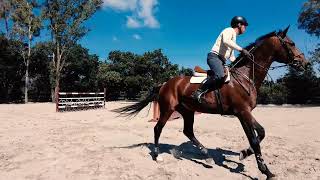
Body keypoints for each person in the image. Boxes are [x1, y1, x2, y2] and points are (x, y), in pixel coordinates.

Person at [192, 16, 251, 103]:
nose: (245, 28)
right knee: (219, 75)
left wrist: (243, 59)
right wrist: (242, 50)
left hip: (221, 60)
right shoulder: (229, 30)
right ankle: (198, 92)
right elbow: (226, 41)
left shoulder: (234, 39)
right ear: (239, 24)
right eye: (244, 26)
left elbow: (231, 57)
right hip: (214, 57)